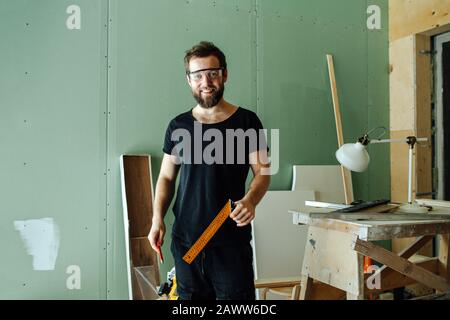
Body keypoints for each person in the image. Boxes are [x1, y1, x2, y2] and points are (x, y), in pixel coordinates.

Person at [148, 41, 270, 300]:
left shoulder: (247, 122)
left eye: (213, 73)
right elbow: (167, 177)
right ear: (188, 80)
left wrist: (251, 200)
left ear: (224, 74)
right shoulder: (178, 125)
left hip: (230, 243)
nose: (206, 81)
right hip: (186, 243)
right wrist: (157, 218)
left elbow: (264, 172)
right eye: (198, 75)